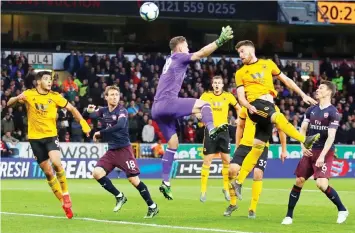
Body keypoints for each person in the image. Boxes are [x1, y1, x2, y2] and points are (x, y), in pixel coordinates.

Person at [152, 26, 234, 200]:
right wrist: (219, 41)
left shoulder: (169, 60)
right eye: (187, 46)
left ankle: (165, 183)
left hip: (157, 108)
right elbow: (201, 54)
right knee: (205, 104)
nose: (188, 49)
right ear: (180, 47)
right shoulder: (179, 56)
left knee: (173, 144)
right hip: (168, 103)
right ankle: (212, 129)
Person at [231, 40, 320, 200]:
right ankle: (304, 139)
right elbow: (241, 96)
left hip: (267, 105)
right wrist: (247, 105)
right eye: (239, 53)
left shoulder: (268, 64)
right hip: (256, 105)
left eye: (242, 51)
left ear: (251, 50)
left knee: (257, 147)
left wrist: (303, 94)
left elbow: (286, 80)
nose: (240, 55)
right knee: (278, 117)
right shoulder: (240, 73)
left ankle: (239, 181)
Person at [7, 71, 91, 219]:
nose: (49, 82)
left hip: (51, 137)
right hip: (35, 139)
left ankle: (65, 194)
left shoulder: (55, 96)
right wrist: (17, 98)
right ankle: (64, 204)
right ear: (38, 82)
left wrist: (83, 123)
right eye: (46, 79)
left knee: (57, 163)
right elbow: (8, 103)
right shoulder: (29, 94)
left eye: (50, 79)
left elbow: (72, 109)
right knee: (48, 172)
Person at [84, 86, 159, 218]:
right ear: (106, 97)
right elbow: (89, 115)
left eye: (117, 95)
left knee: (134, 180)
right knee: (97, 173)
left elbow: (119, 125)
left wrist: (100, 133)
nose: (114, 97)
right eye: (111, 95)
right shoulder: (103, 111)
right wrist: (87, 110)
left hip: (124, 150)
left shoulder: (122, 111)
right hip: (112, 151)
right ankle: (119, 196)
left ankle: (152, 206)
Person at [281, 81, 349, 225]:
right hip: (310, 149)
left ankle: (342, 209)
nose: (317, 90)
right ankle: (288, 216)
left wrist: (323, 156)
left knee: (321, 184)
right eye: (318, 88)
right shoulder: (310, 110)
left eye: (321, 88)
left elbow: (331, 137)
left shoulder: (333, 112)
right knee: (299, 180)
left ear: (329, 92)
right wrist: (302, 146)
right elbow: (303, 129)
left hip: (325, 151)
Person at [224, 106, 287, 218]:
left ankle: (252, 208)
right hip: (245, 145)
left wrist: (284, 150)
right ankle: (233, 204)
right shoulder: (246, 107)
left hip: (261, 145)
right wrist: (237, 146)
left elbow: (281, 129)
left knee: (258, 174)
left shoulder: (274, 108)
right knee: (231, 170)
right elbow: (240, 127)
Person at [199, 75, 239, 202]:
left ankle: (226, 189)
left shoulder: (228, 96)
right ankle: (203, 191)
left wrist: (239, 118)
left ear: (222, 85)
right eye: (215, 83)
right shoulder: (206, 96)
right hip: (210, 131)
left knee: (226, 161)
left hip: (223, 131)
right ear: (212, 84)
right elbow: (196, 107)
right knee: (207, 161)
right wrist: (199, 116)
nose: (216, 85)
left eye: (219, 83)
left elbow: (238, 107)